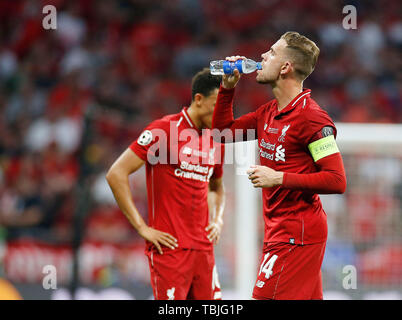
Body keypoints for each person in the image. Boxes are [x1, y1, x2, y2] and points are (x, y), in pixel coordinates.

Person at [212, 31, 347, 300]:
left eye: (272, 52)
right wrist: (228, 88)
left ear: (286, 67)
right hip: (282, 231)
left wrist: (279, 178)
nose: (262, 56)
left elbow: (336, 180)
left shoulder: (312, 119)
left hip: (297, 234)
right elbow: (222, 133)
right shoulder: (268, 112)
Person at [106, 68, 225, 300]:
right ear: (199, 100)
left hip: (203, 250)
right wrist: (142, 228)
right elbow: (116, 173)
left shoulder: (215, 139)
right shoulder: (163, 130)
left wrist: (218, 219)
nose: (221, 113)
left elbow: (217, 186)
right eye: (217, 105)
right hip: (170, 248)